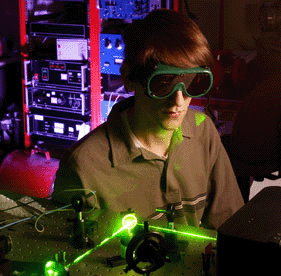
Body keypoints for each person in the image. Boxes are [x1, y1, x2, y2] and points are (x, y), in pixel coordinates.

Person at [51, 9, 244, 230]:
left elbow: (231, 226)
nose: (179, 101)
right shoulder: (84, 168)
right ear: (128, 78)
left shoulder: (203, 131)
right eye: (163, 84)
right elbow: (68, 257)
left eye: (193, 83)